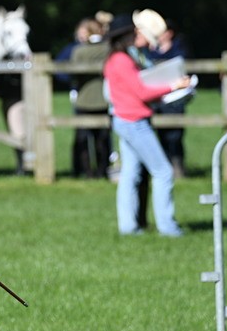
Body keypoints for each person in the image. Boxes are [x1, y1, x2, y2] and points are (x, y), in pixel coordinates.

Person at [104, 12, 189, 237]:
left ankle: (128, 227)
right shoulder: (122, 61)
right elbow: (141, 91)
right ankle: (168, 227)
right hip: (134, 122)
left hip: (125, 120)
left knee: (130, 175)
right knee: (163, 172)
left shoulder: (118, 59)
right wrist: (174, 86)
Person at [147, 19, 191, 178]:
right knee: (161, 133)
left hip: (175, 97)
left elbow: (180, 61)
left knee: (175, 135)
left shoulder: (179, 48)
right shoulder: (151, 50)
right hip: (159, 96)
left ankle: (177, 166)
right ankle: (165, 166)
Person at [70, 19, 112, 178]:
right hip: (104, 99)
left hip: (84, 99)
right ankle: (102, 170)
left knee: (82, 138)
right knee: (102, 138)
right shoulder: (108, 49)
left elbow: (71, 73)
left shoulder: (79, 51)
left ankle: (83, 171)